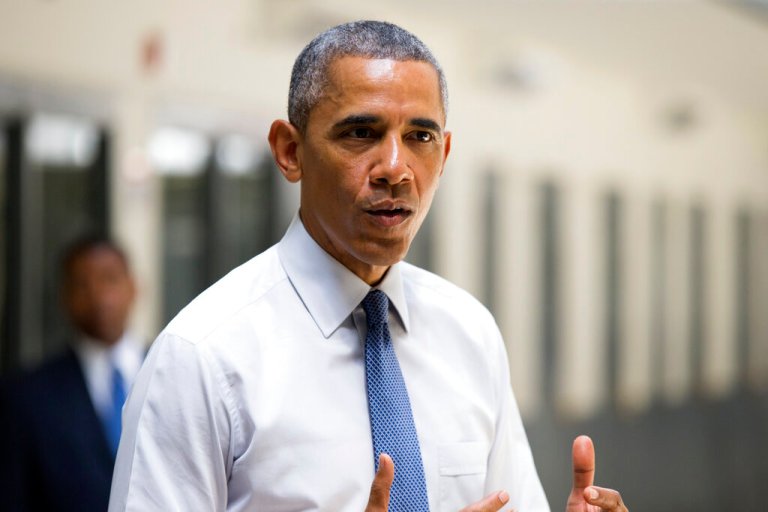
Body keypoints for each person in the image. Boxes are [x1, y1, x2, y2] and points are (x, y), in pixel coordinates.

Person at [109, 21, 628, 512]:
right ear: (290, 151)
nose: (396, 169)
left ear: (444, 156)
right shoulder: (203, 358)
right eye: (360, 132)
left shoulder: (469, 334)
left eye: (421, 137)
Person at [0, 235, 144, 512]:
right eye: (82, 284)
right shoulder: (26, 397)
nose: (99, 296)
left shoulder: (172, 373)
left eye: (109, 279)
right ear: (65, 297)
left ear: (133, 286)